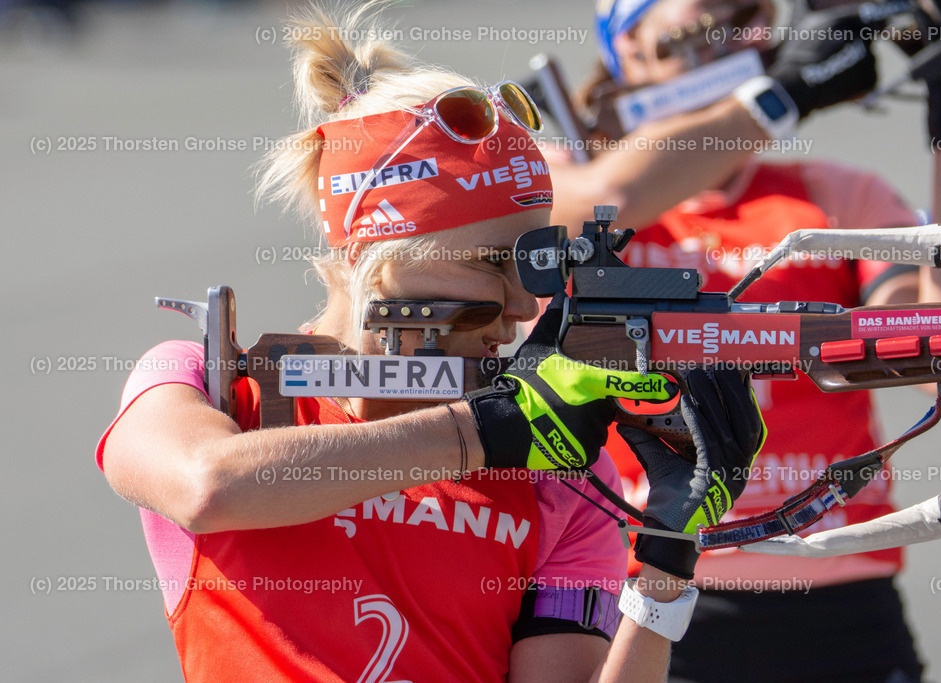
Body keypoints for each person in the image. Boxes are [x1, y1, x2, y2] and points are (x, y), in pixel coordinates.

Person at [95, 3, 764, 681]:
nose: (524, 304)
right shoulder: (205, 381)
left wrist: (665, 568)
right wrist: (485, 429)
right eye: (489, 262)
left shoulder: (565, 476)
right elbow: (207, 486)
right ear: (373, 249)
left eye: (534, 264)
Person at [545, 0, 941, 681]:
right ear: (625, 44)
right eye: (708, 16)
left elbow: (939, 356)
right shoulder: (568, 183)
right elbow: (612, 192)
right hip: (654, 587)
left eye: (752, 14)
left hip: (840, 592)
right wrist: (783, 94)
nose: (742, 33)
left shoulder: (837, 192)